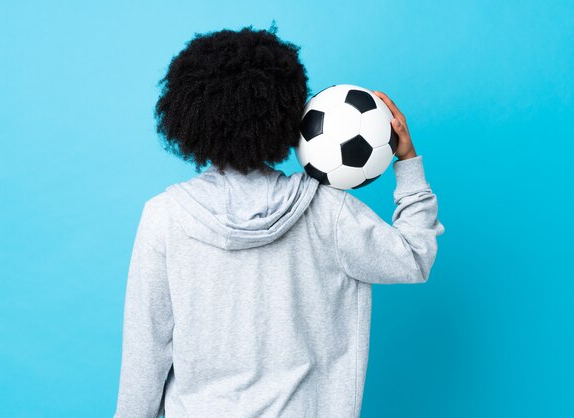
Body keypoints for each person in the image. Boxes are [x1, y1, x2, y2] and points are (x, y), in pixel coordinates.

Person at [113, 24, 445, 418]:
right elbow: (414, 257)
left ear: (189, 118)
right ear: (287, 115)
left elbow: (146, 351)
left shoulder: (164, 216)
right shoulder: (327, 210)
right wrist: (407, 162)